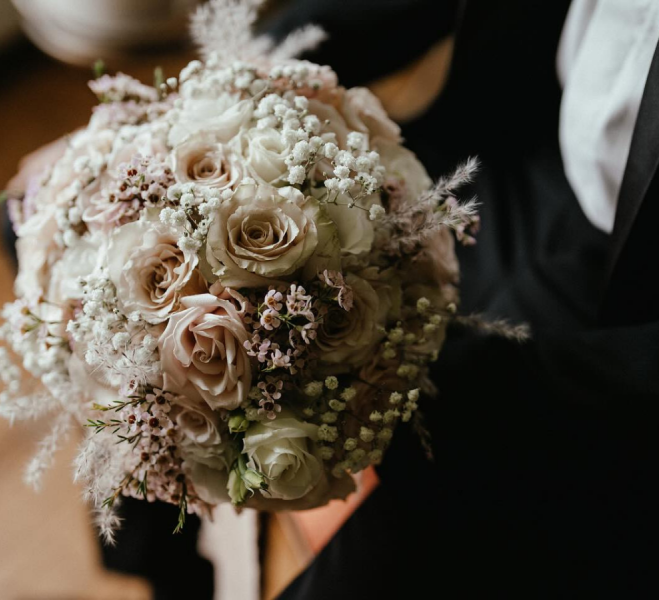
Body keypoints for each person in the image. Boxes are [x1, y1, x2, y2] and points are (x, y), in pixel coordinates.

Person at [263, 0, 659, 595]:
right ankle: (164, 568)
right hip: (522, 158)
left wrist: (520, 382)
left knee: (386, 551)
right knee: (184, 288)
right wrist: (249, 74)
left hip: (631, 315)